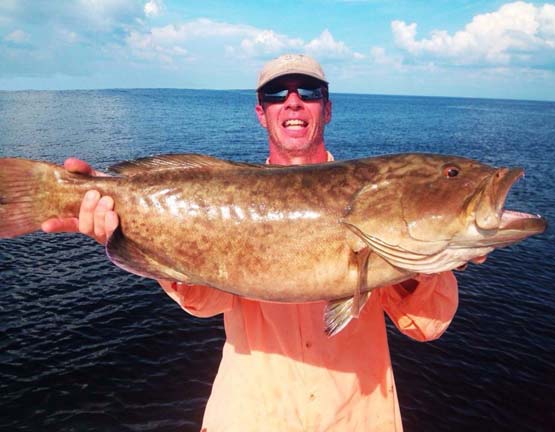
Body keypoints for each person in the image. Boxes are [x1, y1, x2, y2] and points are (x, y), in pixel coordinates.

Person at [42, 54, 480, 431]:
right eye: (277, 94)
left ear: (327, 109)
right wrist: (130, 231)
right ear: (261, 112)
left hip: (358, 417)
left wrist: (424, 259)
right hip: (251, 415)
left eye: (308, 92)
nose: (293, 101)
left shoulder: (377, 202)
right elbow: (203, 301)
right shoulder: (226, 192)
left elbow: (428, 325)